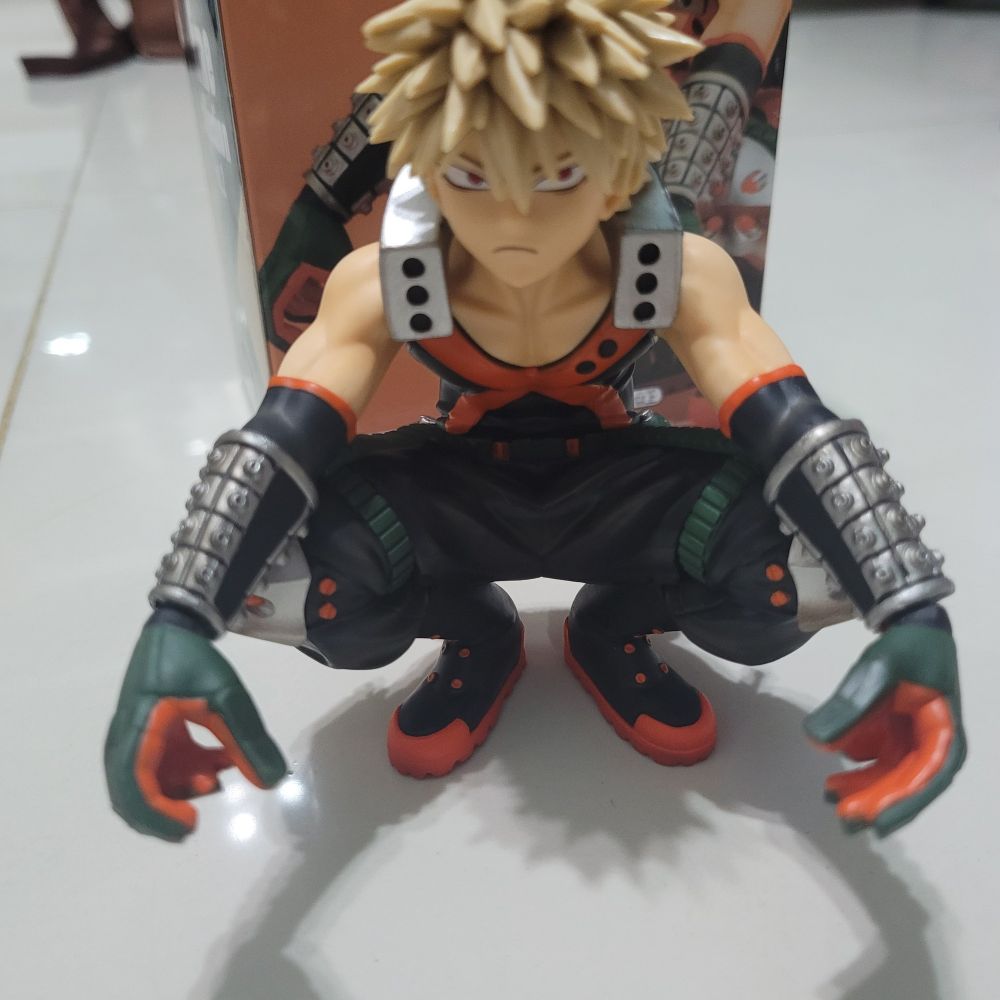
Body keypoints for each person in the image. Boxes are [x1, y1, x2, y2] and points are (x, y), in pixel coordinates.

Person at [105, 0, 964, 843]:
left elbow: (795, 429)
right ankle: (474, 632)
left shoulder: (674, 268)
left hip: (619, 489)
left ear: (619, 169)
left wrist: (909, 606)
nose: (512, 221)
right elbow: (279, 442)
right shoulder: (385, 279)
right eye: (472, 178)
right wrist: (181, 616)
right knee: (301, 579)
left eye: (557, 178)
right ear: (424, 161)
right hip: (459, 495)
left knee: (799, 570)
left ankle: (616, 625)